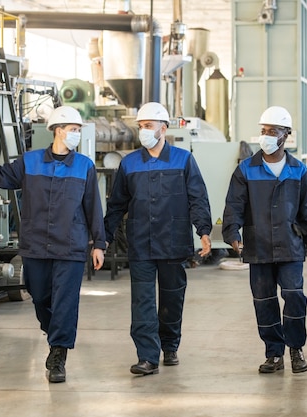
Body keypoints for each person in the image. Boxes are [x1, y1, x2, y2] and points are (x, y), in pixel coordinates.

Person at [0, 105, 106, 383]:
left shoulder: (85, 166)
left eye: (78, 131)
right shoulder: (30, 161)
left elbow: (93, 206)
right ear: (58, 131)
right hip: (35, 245)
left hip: (70, 245)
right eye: (73, 130)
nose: (76, 135)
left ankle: (58, 354)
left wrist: (99, 244)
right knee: (40, 297)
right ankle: (54, 334)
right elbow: (2, 177)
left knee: (65, 302)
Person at [104, 102, 212, 376]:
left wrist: (204, 231)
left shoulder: (183, 159)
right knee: (142, 301)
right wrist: (102, 238)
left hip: (173, 242)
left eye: (148, 126)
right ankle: (147, 357)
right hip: (140, 243)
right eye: (141, 127)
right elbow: (117, 205)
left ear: (163, 128)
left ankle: (170, 345)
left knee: (171, 299)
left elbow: (198, 199)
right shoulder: (128, 164)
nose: (144, 131)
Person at [222, 105, 307, 374]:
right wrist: (232, 234)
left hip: (291, 246)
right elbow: (234, 205)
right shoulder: (246, 170)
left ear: (286, 135)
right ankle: (274, 354)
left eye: (272, 131)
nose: (265, 136)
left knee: (294, 296)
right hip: (258, 247)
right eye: (263, 131)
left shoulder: (297, 170)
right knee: (264, 300)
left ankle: (296, 348)